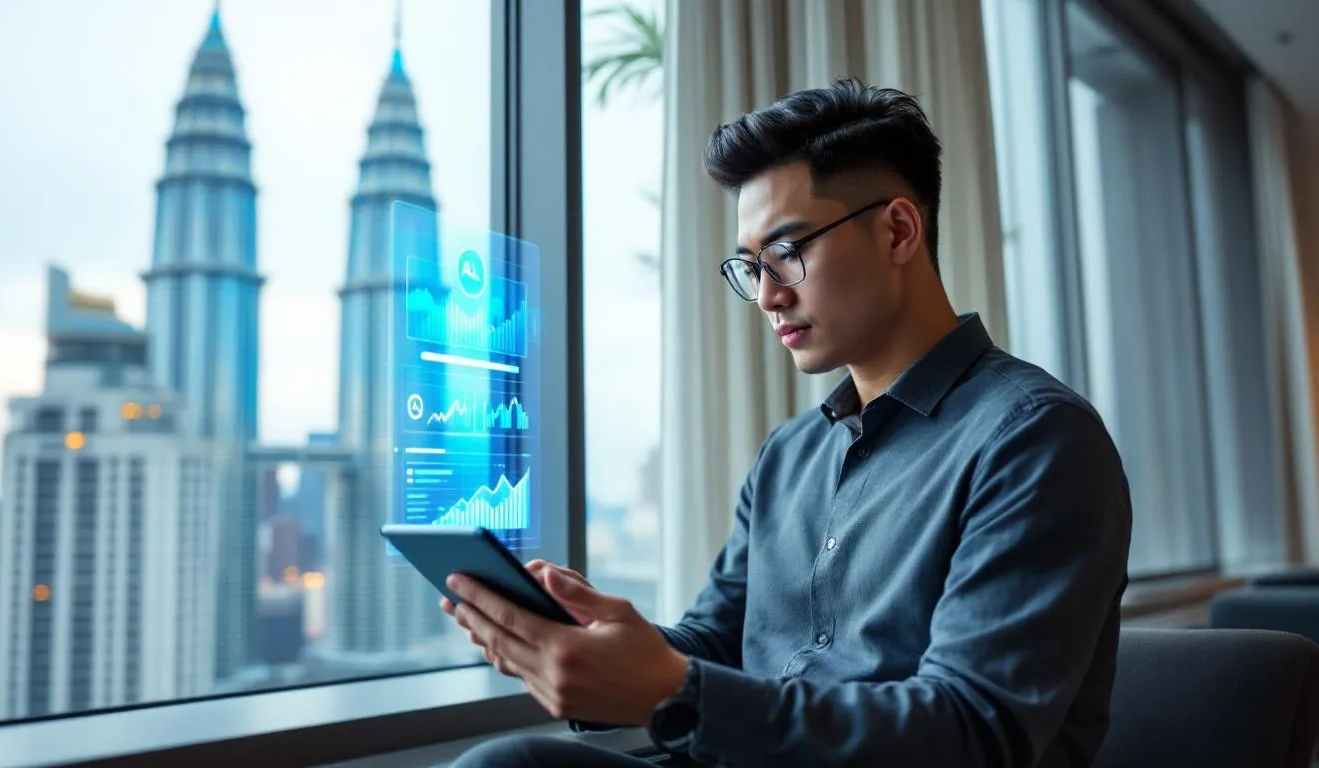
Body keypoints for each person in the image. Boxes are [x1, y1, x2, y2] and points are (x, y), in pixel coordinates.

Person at [445, 78, 1132, 767]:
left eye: (788, 253)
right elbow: (718, 642)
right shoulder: (790, 454)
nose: (768, 296)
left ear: (898, 230)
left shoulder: (1035, 439)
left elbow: (972, 733)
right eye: (752, 266)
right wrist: (597, 644)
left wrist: (676, 689)